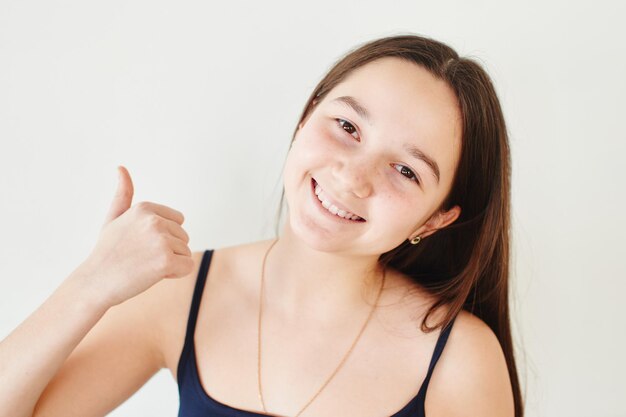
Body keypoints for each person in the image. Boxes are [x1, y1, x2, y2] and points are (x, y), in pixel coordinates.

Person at [0, 34, 522, 417]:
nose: (352, 176)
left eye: (405, 170)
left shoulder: (458, 358)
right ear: (306, 117)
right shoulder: (179, 293)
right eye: (346, 126)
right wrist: (90, 286)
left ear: (435, 220)